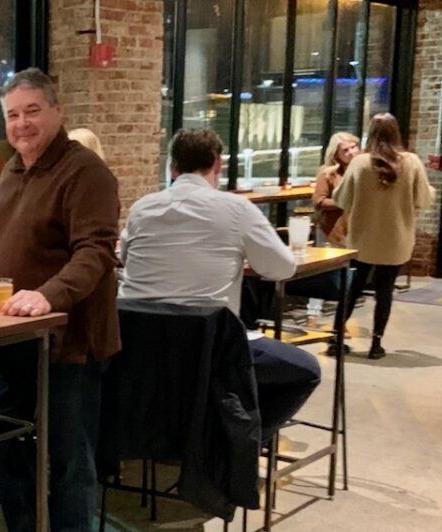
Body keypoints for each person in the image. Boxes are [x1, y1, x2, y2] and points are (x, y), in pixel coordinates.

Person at [0, 68, 121, 532]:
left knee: (69, 457)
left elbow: (96, 250)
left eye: (32, 111)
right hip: (9, 335)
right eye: (13, 115)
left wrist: (47, 295)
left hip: (69, 339)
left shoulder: (85, 170)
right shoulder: (13, 169)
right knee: (0, 442)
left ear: (58, 111)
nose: (22, 124)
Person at [119, 127, 320, 441]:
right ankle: (235, 447)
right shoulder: (237, 209)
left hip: (141, 355)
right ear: (218, 164)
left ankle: (199, 441)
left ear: (172, 168)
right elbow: (281, 267)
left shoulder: (142, 208)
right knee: (306, 370)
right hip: (210, 353)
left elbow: (126, 259)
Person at [336, 113, 434, 359]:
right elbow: (422, 199)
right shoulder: (410, 162)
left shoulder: (359, 163)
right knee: (385, 291)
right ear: (396, 133)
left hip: (362, 240)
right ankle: (376, 345)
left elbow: (341, 199)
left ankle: (335, 339)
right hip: (396, 239)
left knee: (353, 289)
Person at [314, 132, 361, 247]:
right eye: (345, 150)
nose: (351, 152)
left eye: (353, 147)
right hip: (334, 232)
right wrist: (343, 201)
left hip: (359, 231)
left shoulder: (363, 170)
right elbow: (319, 202)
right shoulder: (328, 173)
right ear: (336, 155)